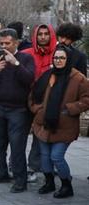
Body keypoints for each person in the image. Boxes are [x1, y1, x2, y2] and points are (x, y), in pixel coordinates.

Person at [29, 45, 89, 198]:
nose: (58, 61)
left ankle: (66, 185)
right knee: (44, 156)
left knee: (56, 156)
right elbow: (33, 94)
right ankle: (49, 183)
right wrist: (37, 109)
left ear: (68, 59)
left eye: (62, 58)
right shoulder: (48, 75)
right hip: (43, 123)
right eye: (56, 58)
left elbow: (86, 99)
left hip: (65, 125)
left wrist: (70, 109)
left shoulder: (78, 78)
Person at [0, 28, 35, 193]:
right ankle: (0, 173)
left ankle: (21, 180)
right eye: (1, 43)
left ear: (16, 42)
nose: (4, 46)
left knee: (17, 146)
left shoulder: (26, 58)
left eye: (8, 43)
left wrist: (16, 63)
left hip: (18, 110)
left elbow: (29, 79)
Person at [22, 23, 58, 181]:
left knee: (40, 136)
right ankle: (15, 164)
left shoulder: (59, 55)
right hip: (25, 100)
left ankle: (34, 166)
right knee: (19, 135)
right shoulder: (26, 54)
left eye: (46, 34)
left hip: (46, 103)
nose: (43, 37)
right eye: (40, 34)